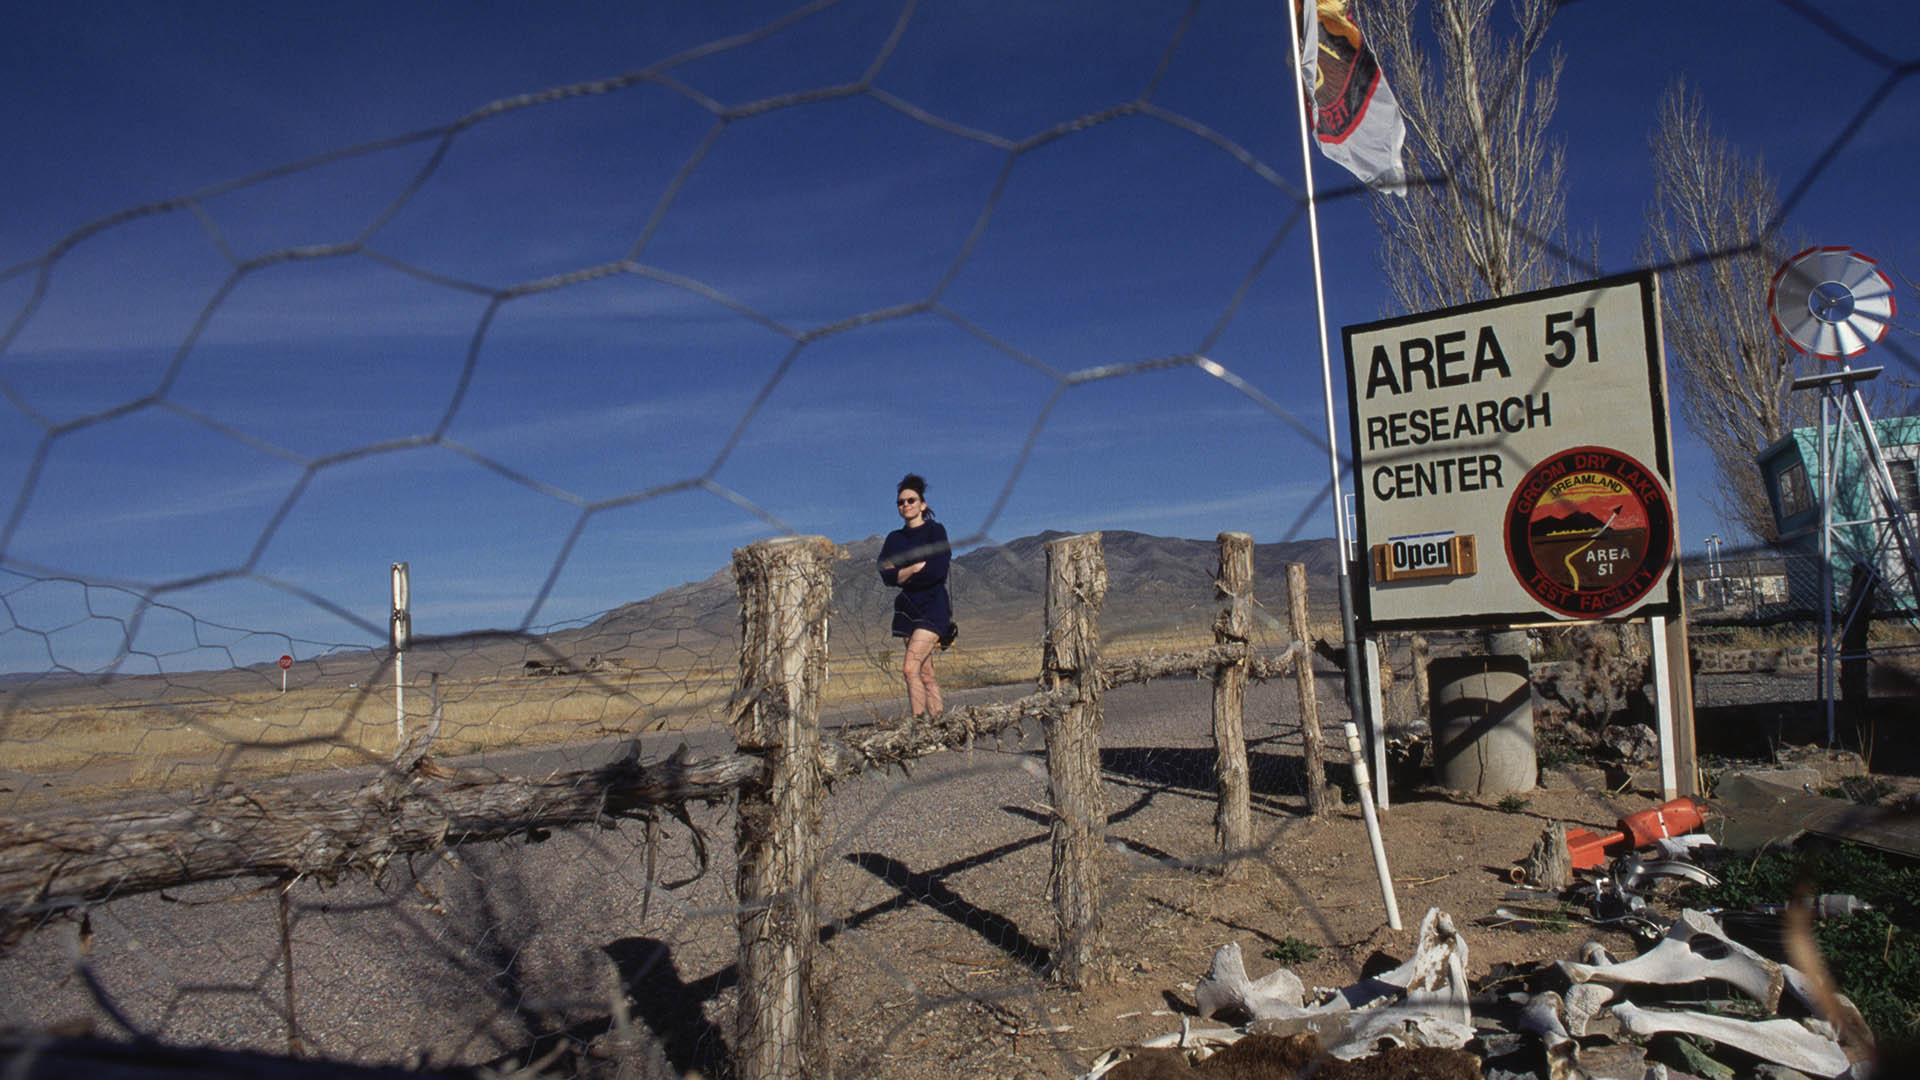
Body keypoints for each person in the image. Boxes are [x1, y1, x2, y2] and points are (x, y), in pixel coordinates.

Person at [877, 473, 953, 718]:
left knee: (910, 669)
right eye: (901, 502)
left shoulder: (935, 531)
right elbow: (886, 575)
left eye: (911, 500)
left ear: (923, 504)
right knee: (926, 672)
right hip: (908, 609)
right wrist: (913, 568)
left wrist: (901, 572)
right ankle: (940, 726)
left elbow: (938, 569)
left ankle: (918, 728)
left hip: (933, 607)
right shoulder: (894, 539)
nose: (905, 505)